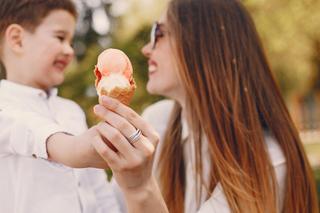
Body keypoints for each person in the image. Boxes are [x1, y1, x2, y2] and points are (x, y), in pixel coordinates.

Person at [91, 0, 319, 212]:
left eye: (158, 33)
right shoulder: (156, 121)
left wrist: (139, 189)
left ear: (205, 43)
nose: (146, 49)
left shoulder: (266, 162)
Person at [0, 0, 120, 212]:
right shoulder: (5, 106)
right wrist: (71, 148)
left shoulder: (71, 110)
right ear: (17, 40)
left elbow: (98, 190)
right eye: (60, 37)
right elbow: (25, 128)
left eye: (71, 41)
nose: (69, 50)